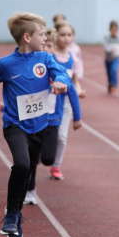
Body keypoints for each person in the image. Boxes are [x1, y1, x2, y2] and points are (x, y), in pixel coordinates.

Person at [0, 13, 70, 237]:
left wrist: (63, 81)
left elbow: (61, 72)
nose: (45, 37)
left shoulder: (45, 58)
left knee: (29, 169)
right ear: (26, 37)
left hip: (40, 126)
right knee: (21, 164)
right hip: (15, 125)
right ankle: (12, 214)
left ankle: (17, 216)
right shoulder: (6, 65)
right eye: (41, 34)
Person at [48, 23, 84, 184]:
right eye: (63, 34)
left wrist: (79, 90)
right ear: (56, 36)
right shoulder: (49, 56)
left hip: (66, 103)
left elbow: (74, 82)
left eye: (69, 35)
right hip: (47, 102)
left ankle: (56, 165)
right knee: (44, 135)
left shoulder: (73, 59)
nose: (66, 38)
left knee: (62, 137)